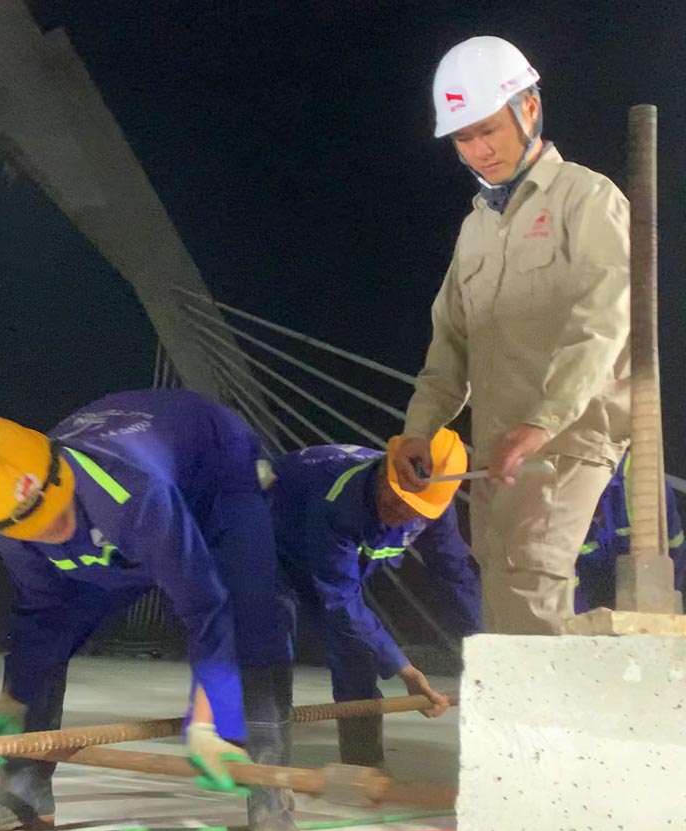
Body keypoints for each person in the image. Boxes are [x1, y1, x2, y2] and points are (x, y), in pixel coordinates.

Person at [0, 389, 309, 831]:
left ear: (59, 471)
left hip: (216, 469)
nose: (55, 532)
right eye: (32, 528)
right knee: (53, 629)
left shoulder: (129, 489)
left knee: (254, 613)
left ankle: (267, 793)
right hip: (126, 515)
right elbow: (42, 610)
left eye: (54, 511)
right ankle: (22, 788)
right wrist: (13, 699)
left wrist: (207, 721)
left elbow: (204, 605)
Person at [392, 36, 631, 635]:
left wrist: (544, 421)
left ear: (529, 109)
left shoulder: (587, 197)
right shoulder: (476, 229)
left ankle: (549, 728)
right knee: (498, 570)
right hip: (500, 444)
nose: (477, 151)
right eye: (463, 139)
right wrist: (420, 429)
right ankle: (531, 719)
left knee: (527, 569)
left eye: (488, 130)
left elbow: (604, 319)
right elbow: (449, 343)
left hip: (570, 430)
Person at [266, 431, 480, 769]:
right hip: (271, 543)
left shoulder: (435, 507)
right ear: (384, 469)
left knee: (358, 652)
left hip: (328, 558)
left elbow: (454, 576)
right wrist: (404, 669)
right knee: (273, 641)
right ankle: (267, 768)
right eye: (393, 495)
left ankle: (362, 768)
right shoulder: (338, 498)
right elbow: (339, 600)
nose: (396, 510)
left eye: (411, 507)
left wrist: (489, 649)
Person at [575, 453, 686, 613]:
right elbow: (563, 583)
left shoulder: (646, 483)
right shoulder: (557, 489)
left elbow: (674, 553)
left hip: (645, 603)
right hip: (587, 603)